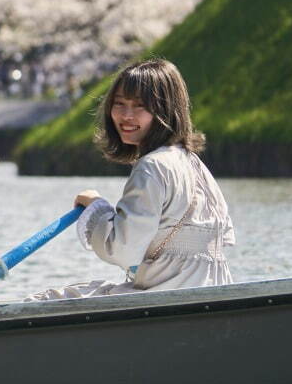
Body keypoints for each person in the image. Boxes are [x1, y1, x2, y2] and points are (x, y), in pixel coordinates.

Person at [29, 58, 235, 301]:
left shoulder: (152, 166)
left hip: (168, 293)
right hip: (213, 291)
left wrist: (97, 209)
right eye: (119, 103)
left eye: (140, 106)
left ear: (165, 110)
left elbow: (123, 250)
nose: (126, 115)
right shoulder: (194, 163)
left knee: (47, 300)